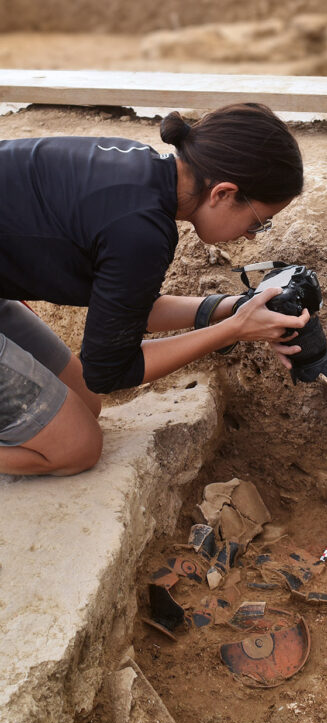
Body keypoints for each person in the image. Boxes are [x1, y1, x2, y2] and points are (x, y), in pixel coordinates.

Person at [0, 103, 309, 477]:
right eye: (259, 222)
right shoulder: (141, 231)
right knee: (76, 448)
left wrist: (232, 307)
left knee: (85, 402)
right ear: (224, 193)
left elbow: (126, 309)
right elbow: (108, 371)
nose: (250, 235)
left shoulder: (142, 173)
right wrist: (234, 330)